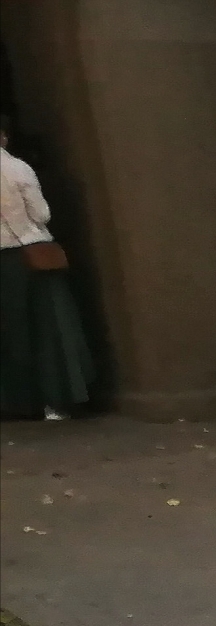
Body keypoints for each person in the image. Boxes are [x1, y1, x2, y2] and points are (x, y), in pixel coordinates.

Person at [0, 118, 96, 421]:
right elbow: (41, 213)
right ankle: (56, 401)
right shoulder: (17, 168)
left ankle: (18, 402)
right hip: (31, 252)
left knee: (13, 329)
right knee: (51, 326)